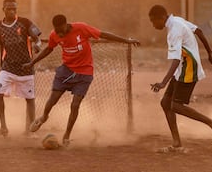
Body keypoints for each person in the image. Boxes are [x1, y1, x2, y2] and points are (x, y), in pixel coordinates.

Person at [26, 14, 140, 146]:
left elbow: (104, 34)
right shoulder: (54, 34)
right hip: (66, 71)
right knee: (53, 99)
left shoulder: (81, 28)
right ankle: (44, 117)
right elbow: (49, 49)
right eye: (57, 31)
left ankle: (67, 135)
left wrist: (126, 40)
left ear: (66, 25)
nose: (59, 34)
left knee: (75, 105)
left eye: (61, 30)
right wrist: (32, 63)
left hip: (84, 72)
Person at [148, 4, 212, 153]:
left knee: (176, 105)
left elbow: (175, 60)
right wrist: (210, 52)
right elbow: (199, 31)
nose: (153, 24)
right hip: (182, 69)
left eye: (153, 21)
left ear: (161, 17)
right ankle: (177, 144)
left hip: (189, 68)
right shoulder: (177, 20)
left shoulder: (174, 31)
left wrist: (163, 82)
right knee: (165, 103)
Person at [0, 0, 42, 138]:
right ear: (3, 9)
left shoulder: (25, 22)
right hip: (8, 67)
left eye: (14, 8)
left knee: (29, 98)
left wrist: (37, 44)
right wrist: (1, 65)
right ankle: (3, 127)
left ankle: (30, 130)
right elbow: (1, 46)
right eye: (9, 8)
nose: (12, 11)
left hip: (26, 67)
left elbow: (37, 37)